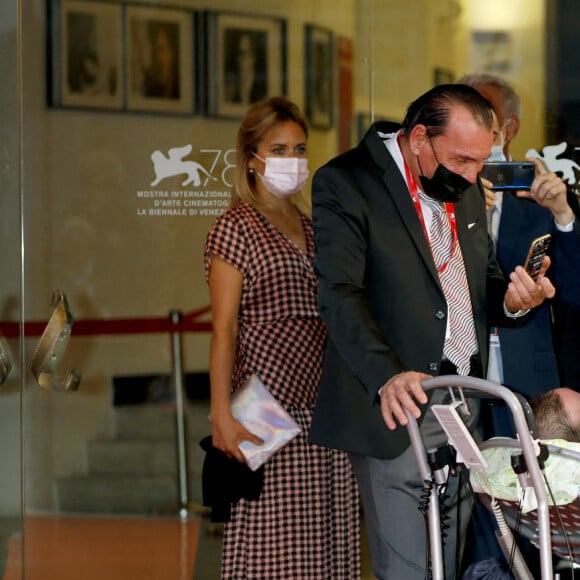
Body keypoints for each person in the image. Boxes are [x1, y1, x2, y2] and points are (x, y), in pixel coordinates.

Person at [308, 83, 555, 580]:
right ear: (419, 137)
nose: (472, 175)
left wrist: (511, 301)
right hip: (399, 405)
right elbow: (339, 293)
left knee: (449, 560)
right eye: (461, 160)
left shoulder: (460, 187)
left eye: (479, 162)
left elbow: (478, 277)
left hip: (462, 403)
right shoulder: (347, 182)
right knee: (408, 569)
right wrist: (387, 375)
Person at [203, 96, 360, 579]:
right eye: (279, 148)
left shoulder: (315, 229)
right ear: (252, 157)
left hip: (323, 407)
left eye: (299, 148)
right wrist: (222, 415)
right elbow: (224, 330)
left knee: (328, 546)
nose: (293, 160)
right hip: (267, 409)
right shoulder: (235, 228)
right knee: (274, 549)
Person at [459, 73, 580, 434]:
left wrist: (563, 215)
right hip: (459, 378)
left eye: (489, 131)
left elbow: (573, 291)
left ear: (505, 132)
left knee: (530, 484)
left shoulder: (538, 205)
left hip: (527, 377)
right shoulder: (436, 207)